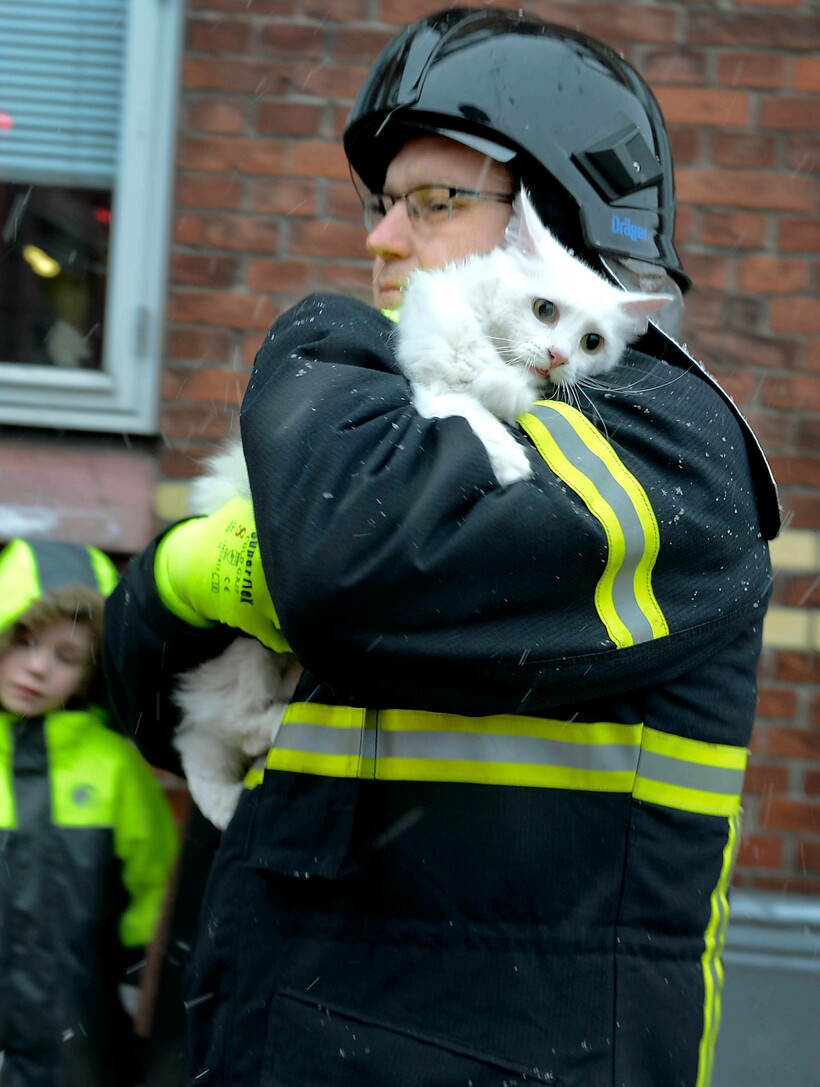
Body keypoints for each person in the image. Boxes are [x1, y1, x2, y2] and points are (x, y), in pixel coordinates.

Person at [103, 9, 780, 1087]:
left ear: (556, 220)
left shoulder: (663, 440)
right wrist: (182, 573)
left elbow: (345, 565)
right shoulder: (400, 419)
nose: (379, 240)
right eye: (380, 205)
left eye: (433, 202)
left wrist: (316, 346)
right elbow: (135, 685)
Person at [0, 537, 179, 1087]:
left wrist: (137, 981)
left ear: (90, 672)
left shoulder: (114, 768)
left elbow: (155, 887)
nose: (37, 668)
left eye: (67, 656)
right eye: (23, 640)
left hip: (78, 1029)